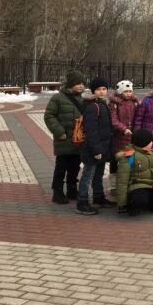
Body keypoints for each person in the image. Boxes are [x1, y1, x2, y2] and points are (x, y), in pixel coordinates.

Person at [44, 70, 86, 204]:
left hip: (78, 140)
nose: (81, 86)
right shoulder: (57, 98)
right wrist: (59, 131)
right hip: (63, 139)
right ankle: (57, 192)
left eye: (83, 83)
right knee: (61, 167)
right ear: (71, 84)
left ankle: (72, 189)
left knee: (75, 166)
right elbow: (49, 116)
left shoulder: (82, 99)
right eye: (78, 83)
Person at [76, 78, 116, 215]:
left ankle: (98, 197)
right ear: (93, 91)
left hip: (102, 146)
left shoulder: (102, 104)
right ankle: (82, 202)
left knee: (98, 173)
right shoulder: (92, 106)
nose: (102, 92)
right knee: (88, 174)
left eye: (104, 89)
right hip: (93, 148)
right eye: (99, 89)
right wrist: (96, 149)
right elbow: (91, 130)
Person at [115, 129, 153, 216]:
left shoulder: (152, 154)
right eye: (150, 141)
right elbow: (122, 180)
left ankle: (151, 204)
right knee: (139, 199)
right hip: (137, 185)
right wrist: (121, 203)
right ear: (144, 143)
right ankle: (132, 205)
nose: (152, 143)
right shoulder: (130, 156)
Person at [109, 80, 139, 190]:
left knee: (130, 159)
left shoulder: (134, 102)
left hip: (131, 137)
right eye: (125, 91)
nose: (128, 94)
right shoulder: (114, 103)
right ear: (120, 91)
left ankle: (128, 183)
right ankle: (113, 185)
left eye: (130, 91)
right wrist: (123, 128)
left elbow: (138, 117)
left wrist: (136, 129)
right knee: (115, 160)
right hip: (118, 136)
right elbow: (113, 119)